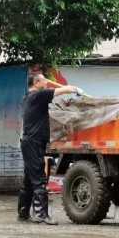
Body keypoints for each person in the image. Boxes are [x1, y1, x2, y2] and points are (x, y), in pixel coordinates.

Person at [18, 73, 81, 225]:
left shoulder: (28, 97)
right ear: (37, 82)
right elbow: (62, 90)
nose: (47, 82)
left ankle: (23, 211)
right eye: (44, 79)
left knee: (29, 178)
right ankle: (42, 215)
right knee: (39, 178)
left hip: (29, 142)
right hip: (33, 143)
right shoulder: (38, 95)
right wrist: (73, 88)